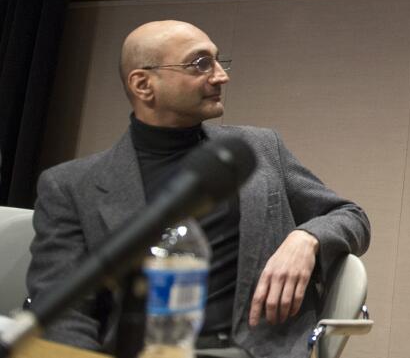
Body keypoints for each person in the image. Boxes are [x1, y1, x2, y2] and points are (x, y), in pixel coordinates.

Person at [26, 20, 371, 358]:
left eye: (219, 61)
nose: (221, 75)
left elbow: (351, 216)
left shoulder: (257, 149)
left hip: (256, 350)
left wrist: (306, 239)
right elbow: (65, 314)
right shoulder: (70, 186)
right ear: (143, 85)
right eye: (200, 64)